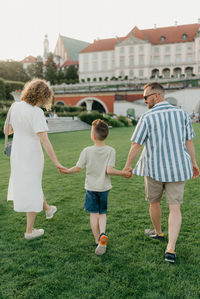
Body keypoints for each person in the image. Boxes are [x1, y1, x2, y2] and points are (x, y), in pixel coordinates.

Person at [124, 82, 199, 263]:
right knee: (175, 208)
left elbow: (136, 144)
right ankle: (170, 248)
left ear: (156, 96)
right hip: (178, 168)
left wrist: (128, 165)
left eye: (145, 97)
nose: (144, 101)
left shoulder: (147, 117)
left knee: (154, 202)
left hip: (153, 168)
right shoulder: (182, 114)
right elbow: (188, 141)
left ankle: (159, 233)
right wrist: (194, 163)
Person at [4, 78, 67, 240]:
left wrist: (20, 128)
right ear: (42, 96)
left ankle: (48, 209)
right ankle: (29, 231)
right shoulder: (36, 112)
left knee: (30, 183)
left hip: (18, 152)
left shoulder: (15, 106)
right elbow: (45, 141)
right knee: (32, 186)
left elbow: (7, 130)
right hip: (31, 153)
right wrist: (57, 162)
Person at [62, 119, 131, 255]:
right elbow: (109, 170)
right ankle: (103, 234)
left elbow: (78, 168)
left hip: (91, 188)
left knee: (94, 214)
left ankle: (96, 239)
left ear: (93, 136)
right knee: (102, 213)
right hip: (104, 187)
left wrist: (67, 171)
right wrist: (123, 173)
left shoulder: (87, 151)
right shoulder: (111, 150)